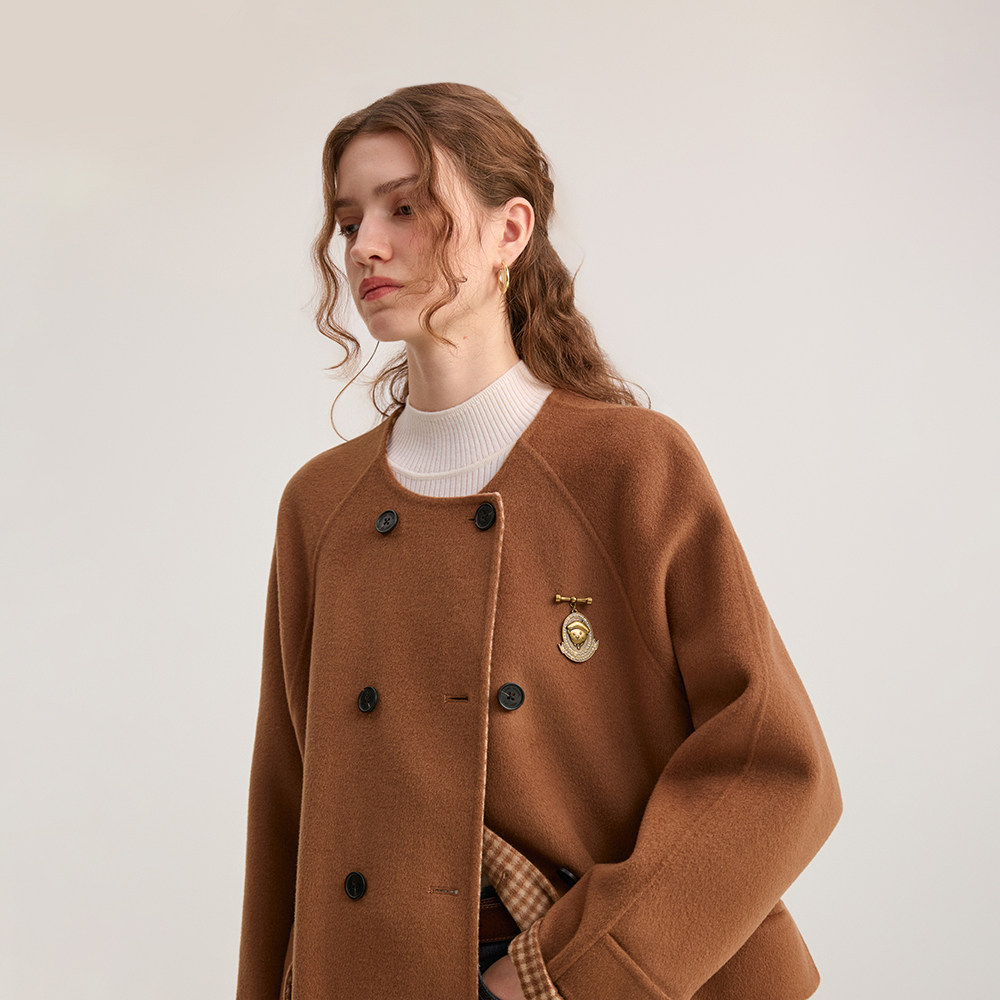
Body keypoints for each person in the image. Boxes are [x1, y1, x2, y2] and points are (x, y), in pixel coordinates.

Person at [235, 82, 842, 1000]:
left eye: (407, 208)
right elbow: (287, 807)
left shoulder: (630, 465)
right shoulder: (320, 505)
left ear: (509, 231)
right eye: (349, 220)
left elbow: (775, 764)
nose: (364, 246)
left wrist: (553, 978)